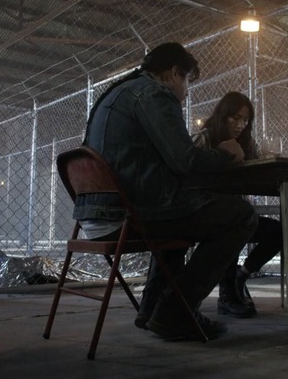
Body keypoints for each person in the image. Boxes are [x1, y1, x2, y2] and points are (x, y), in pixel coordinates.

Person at [76, 42, 258, 340]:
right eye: (187, 81)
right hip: (125, 214)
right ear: (175, 73)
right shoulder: (154, 94)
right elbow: (185, 160)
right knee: (242, 216)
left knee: (179, 220)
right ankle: (176, 312)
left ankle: (152, 312)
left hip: (94, 213)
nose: (186, 92)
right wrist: (225, 153)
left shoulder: (116, 92)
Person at [192, 91, 282, 318]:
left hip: (239, 215)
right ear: (223, 116)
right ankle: (227, 296)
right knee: (230, 223)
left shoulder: (246, 144)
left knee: (277, 231)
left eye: (245, 120)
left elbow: (256, 179)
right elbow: (190, 175)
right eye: (236, 118)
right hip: (204, 214)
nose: (241, 124)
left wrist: (264, 165)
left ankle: (242, 274)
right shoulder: (204, 138)